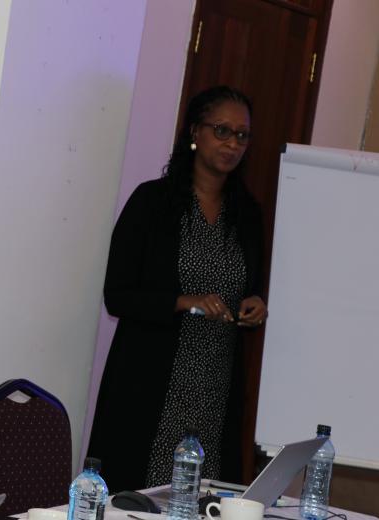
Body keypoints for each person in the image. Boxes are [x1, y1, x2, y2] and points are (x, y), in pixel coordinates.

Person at [87, 86, 268, 491]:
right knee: (143, 495)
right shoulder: (151, 203)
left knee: (205, 495)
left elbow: (250, 286)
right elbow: (117, 295)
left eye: (242, 135)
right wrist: (182, 301)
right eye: (222, 130)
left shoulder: (248, 215)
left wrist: (255, 303)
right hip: (152, 381)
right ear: (195, 132)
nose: (232, 143)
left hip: (216, 385)